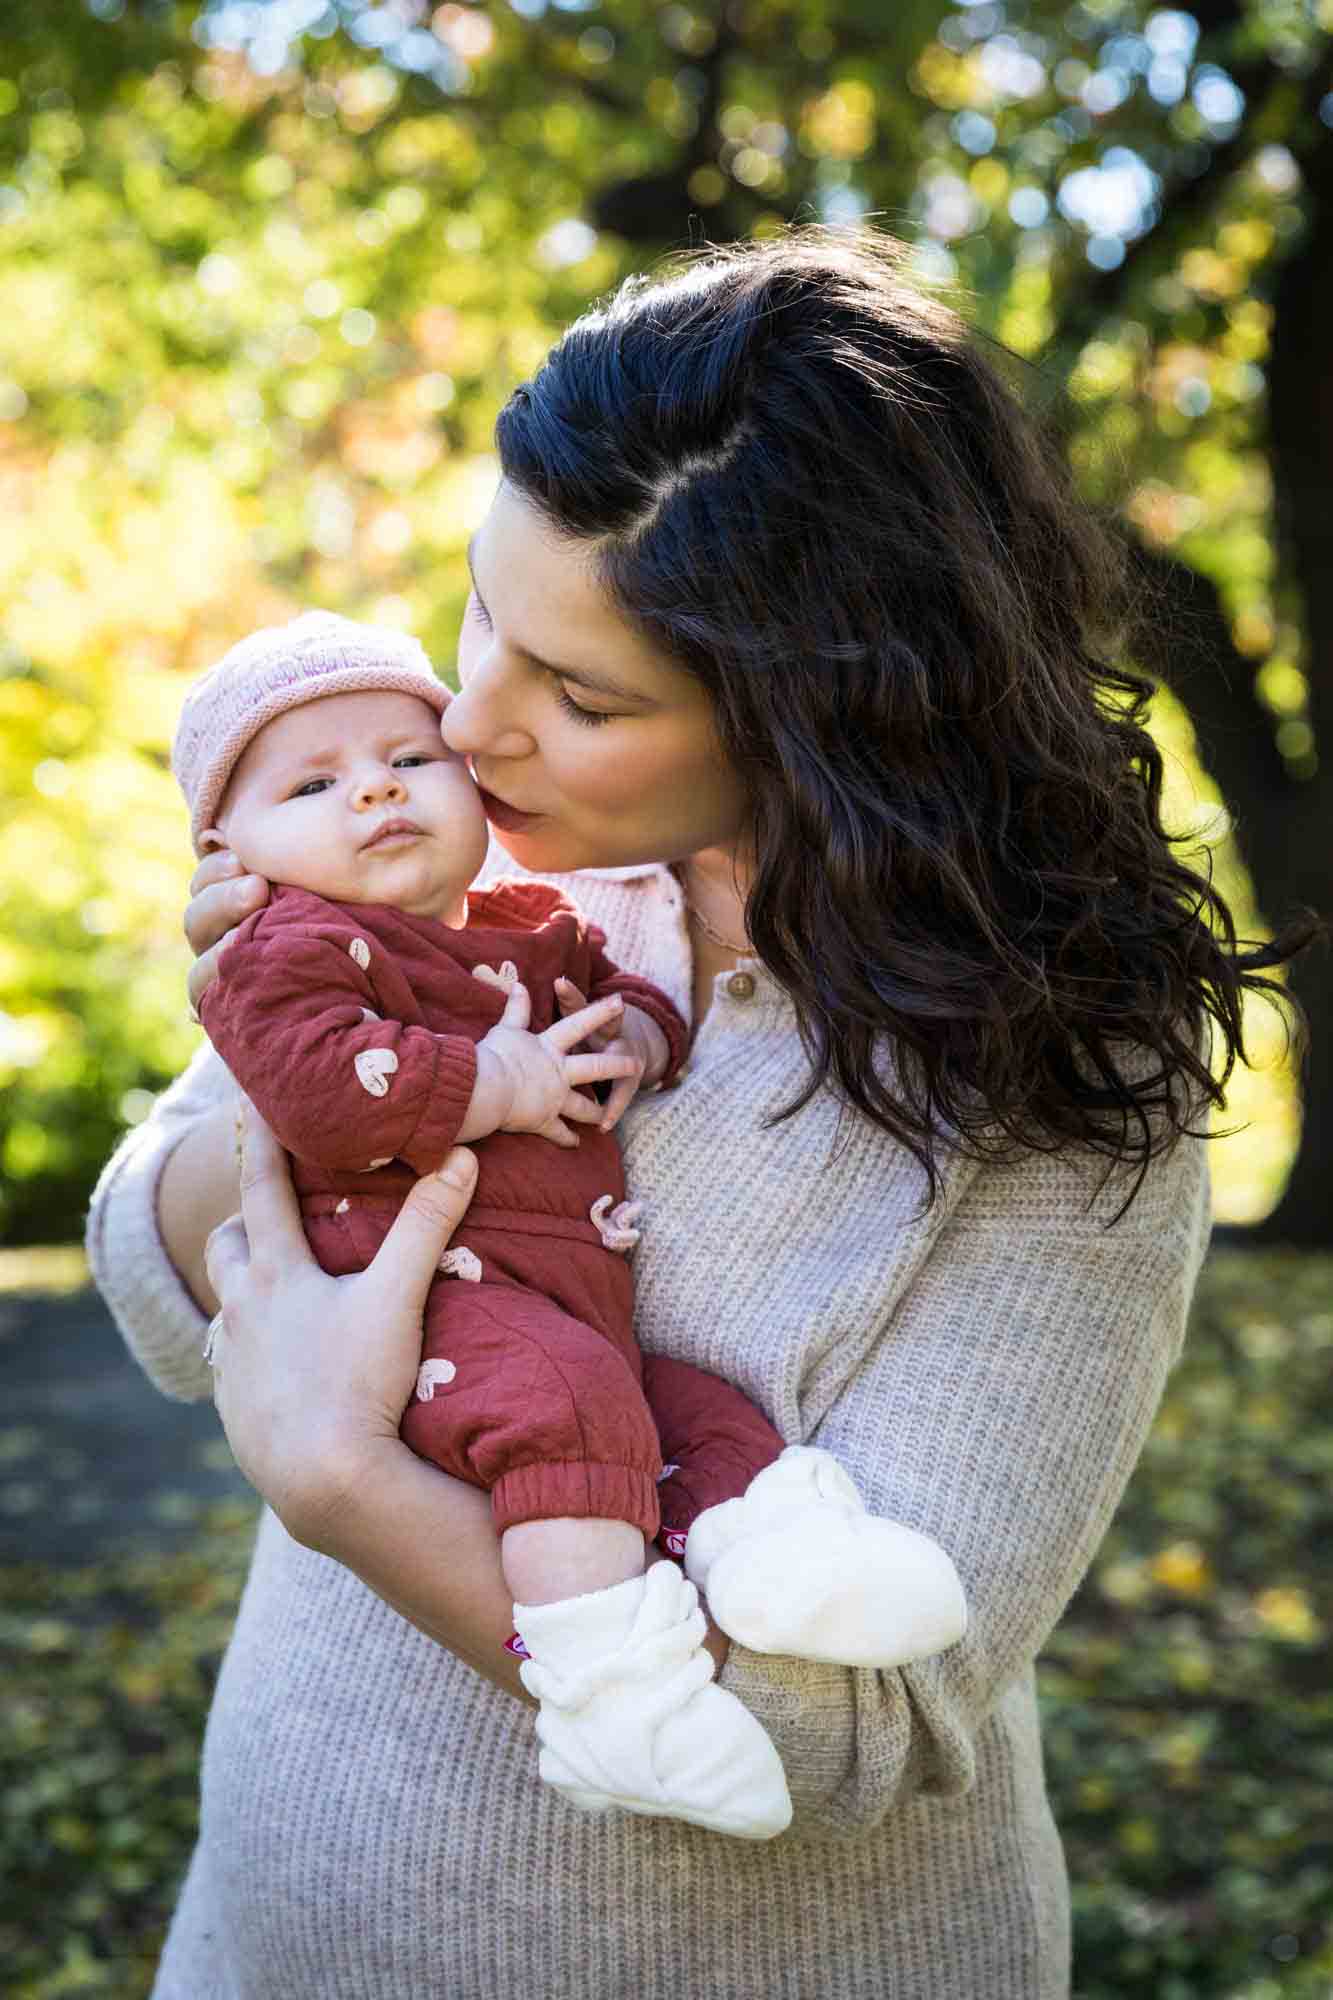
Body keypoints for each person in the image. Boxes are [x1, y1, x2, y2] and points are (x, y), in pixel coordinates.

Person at [87, 228, 1317, 2000]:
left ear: (827, 726)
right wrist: (271, 1038)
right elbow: (144, 1248)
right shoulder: (465, 883)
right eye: (481, 616)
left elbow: (846, 1736)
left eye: (579, 696)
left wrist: (346, 1476)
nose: (466, 725)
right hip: (273, 1936)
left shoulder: (1060, 1089)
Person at [166, 610, 968, 1841]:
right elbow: (324, 1095)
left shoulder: (520, 917)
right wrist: (491, 1085)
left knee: (692, 1413)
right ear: (230, 854)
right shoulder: (287, 946)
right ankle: (610, 1686)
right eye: (315, 782)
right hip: (441, 1307)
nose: (376, 787)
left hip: (554, 1295)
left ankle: (776, 1556)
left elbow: (604, 992)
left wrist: (642, 1026)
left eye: (408, 754)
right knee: (570, 1402)